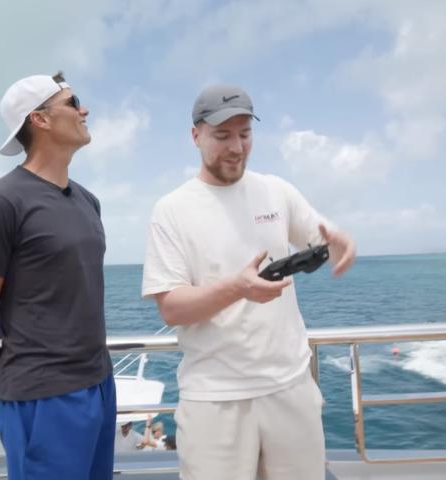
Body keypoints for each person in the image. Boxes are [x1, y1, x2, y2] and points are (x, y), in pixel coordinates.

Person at [141, 84, 356, 480]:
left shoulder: (276, 191)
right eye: (222, 135)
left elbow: (320, 234)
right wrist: (237, 288)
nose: (237, 147)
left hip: (291, 386)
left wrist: (338, 240)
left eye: (245, 133)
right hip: (214, 398)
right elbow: (171, 307)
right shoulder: (171, 210)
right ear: (195, 135)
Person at [0, 72, 115, 480]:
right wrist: (2, 401)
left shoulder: (87, 201)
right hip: (41, 398)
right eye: (72, 101)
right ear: (39, 120)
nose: (84, 110)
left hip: (99, 383)